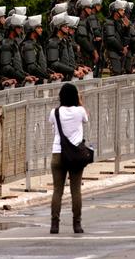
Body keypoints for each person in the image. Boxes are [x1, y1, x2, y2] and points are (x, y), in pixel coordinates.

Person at [49, 83, 89, 234]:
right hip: (76, 155)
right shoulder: (80, 111)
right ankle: (77, 224)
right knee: (76, 190)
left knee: (57, 190)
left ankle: (54, 224)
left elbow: (52, 124)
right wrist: (79, 102)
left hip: (58, 153)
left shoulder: (55, 112)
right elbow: (86, 119)